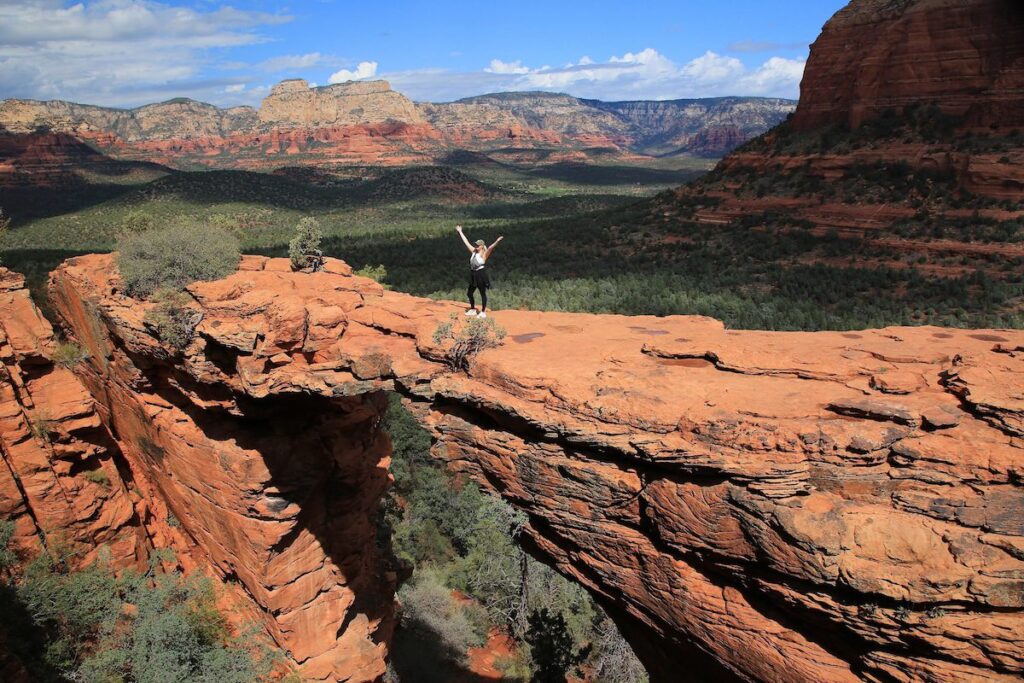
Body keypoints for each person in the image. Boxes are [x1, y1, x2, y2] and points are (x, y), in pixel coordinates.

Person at [456, 224, 503, 318]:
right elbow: (466, 242)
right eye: (475, 244)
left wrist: (497, 241)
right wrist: (460, 232)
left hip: (481, 274)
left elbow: (490, 248)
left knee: (482, 293)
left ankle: (483, 312)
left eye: (477, 245)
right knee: (469, 293)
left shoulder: (484, 255)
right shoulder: (473, 251)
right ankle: (473, 309)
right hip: (473, 274)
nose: (475, 246)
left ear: (481, 246)